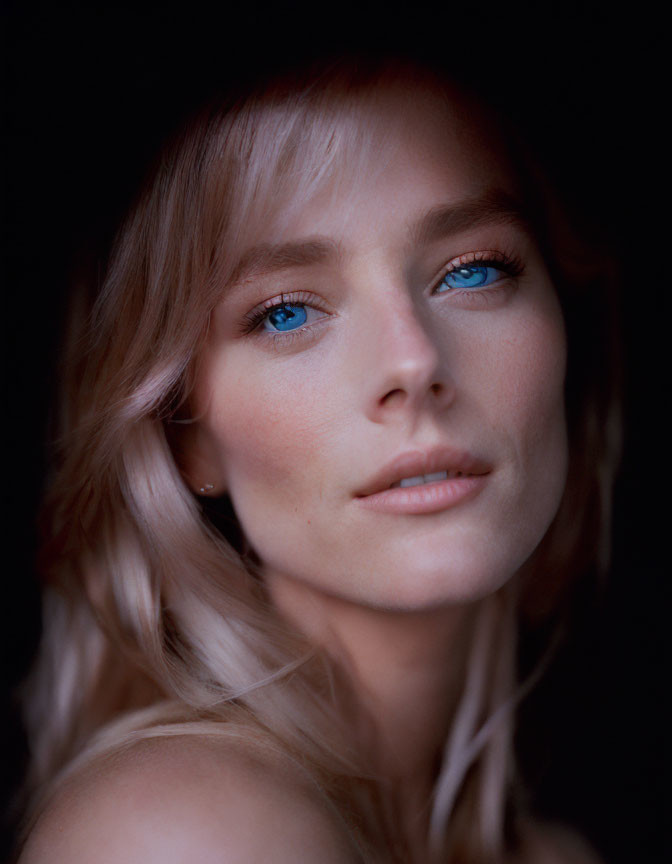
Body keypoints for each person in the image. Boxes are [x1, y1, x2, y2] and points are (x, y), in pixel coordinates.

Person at [16, 55, 620, 863]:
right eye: (286, 312)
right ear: (186, 434)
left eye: (473, 270)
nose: (412, 362)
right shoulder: (179, 836)